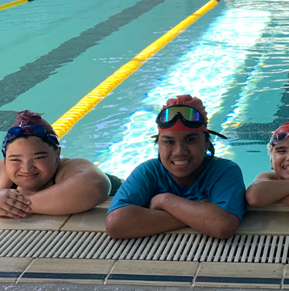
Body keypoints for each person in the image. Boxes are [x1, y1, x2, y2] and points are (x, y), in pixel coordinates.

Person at [105, 95, 245, 240]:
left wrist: (163, 201)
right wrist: (199, 213)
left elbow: (223, 226)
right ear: (158, 145)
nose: (179, 152)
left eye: (190, 140)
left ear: (206, 143)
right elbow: (116, 224)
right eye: (169, 142)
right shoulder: (148, 172)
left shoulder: (224, 171)